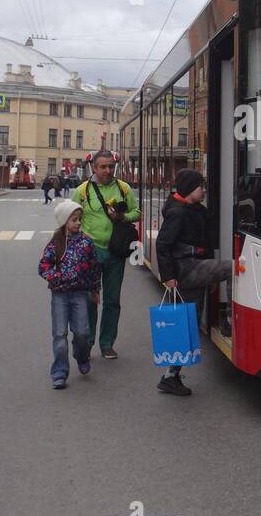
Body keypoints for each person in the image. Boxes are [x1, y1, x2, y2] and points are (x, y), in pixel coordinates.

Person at [154, 169, 231, 396]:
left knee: (188, 325)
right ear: (189, 189)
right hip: (187, 270)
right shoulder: (178, 213)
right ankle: (229, 318)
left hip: (193, 268)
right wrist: (168, 277)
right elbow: (163, 245)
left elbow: (203, 243)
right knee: (232, 268)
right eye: (201, 187)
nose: (204, 190)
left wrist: (210, 274)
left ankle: (170, 376)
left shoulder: (193, 209)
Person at [74, 150, 140, 361]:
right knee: (89, 300)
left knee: (112, 300)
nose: (108, 170)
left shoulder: (123, 188)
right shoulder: (83, 191)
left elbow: (137, 212)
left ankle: (107, 344)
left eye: (111, 166)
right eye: (103, 167)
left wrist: (121, 216)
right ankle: (89, 341)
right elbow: (71, 217)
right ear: (94, 168)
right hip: (90, 252)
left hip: (115, 252)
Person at [39, 199, 102, 388]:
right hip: (59, 295)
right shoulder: (55, 243)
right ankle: (59, 372)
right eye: (74, 219)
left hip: (80, 294)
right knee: (59, 335)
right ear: (64, 221)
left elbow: (94, 268)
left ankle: (81, 356)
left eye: (79, 219)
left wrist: (95, 289)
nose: (78, 223)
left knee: (83, 333)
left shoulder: (86, 242)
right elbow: (43, 267)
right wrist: (58, 277)